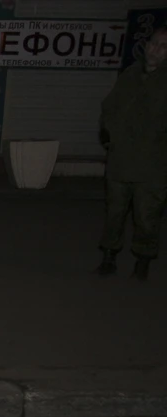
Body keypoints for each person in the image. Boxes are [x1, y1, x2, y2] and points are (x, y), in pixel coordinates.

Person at [95, 26, 167, 281]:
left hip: (152, 164)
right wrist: (106, 131)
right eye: (153, 43)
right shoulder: (130, 73)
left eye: (162, 46)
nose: (155, 49)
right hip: (121, 159)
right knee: (115, 211)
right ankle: (109, 255)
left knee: (147, 215)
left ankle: (143, 259)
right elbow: (110, 106)